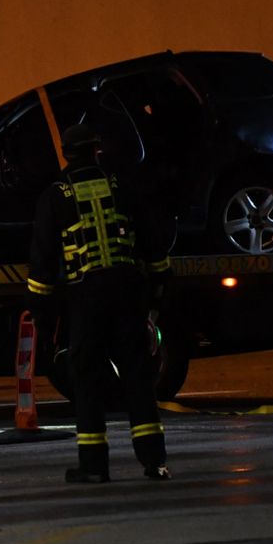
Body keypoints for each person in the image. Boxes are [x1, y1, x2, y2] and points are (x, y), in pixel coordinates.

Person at [26, 122, 174, 483]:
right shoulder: (121, 185)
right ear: (97, 150)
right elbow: (153, 241)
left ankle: (93, 467)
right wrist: (157, 289)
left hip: (86, 297)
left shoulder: (55, 195)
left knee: (87, 379)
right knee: (138, 376)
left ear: (66, 154)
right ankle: (154, 461)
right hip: (128, 292)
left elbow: (42, 260)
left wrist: (42, 316)